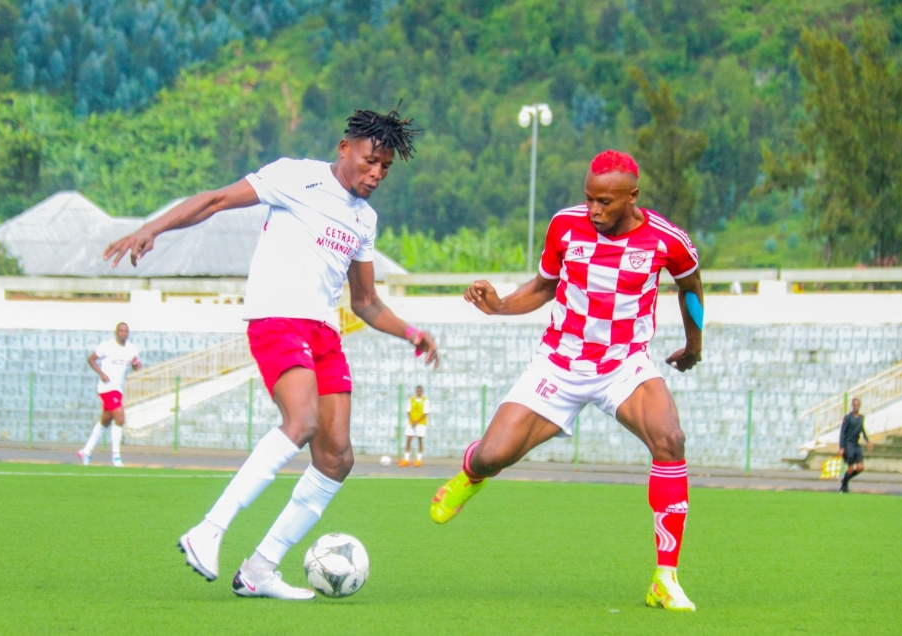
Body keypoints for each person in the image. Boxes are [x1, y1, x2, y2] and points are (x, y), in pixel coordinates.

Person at [102, 107, 440, 600]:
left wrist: (411, 333)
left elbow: (365, 301)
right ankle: (209, 530)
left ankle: (260, 569)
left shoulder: (365, 219)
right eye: (370, 161)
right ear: (345, 148)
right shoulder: (294, 177)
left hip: (323, 331)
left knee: (336, 457)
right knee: (300, 421)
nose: (376, 174)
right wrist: (152, 228)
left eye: (385, 168)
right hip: (278, 317)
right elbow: (215, 200)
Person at [429, 150, 704, 612]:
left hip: (624, 363)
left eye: (605, 202)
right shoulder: (565, 226)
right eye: (589, 199)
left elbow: (691, 289)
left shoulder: (667, 240)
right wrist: (497, 304)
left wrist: (694, 346)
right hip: (559, 362)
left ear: (632, 197)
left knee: (670, 439)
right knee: (496, 455)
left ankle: (664, 578)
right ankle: (471, 471)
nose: (594, 210)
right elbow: (542, 287)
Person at [77, 322, 142, 468]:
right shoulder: (107, 346)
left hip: (118, 389)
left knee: (105, 420)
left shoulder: (132, 349)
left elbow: (136, 365)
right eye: (121, 331)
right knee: (120, 418)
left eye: (126, 331)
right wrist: (101, 374)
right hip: (107, 388)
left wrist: (136, 365)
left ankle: (86, 451)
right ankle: (116, 457)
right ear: (116, 332)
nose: (124, 333)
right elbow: (91, 359)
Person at [838, 397, 872, 493]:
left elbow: (862, 430)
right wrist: (841, 447)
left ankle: (844, 480)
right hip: (848, 444)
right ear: (852, 406)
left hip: (856, 444)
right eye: (854, 405)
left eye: (857, 405)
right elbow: (842, 433)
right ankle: (844, 487)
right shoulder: (848, 417)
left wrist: (867, 441)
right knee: (850, 468)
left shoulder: (861, 418)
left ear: (859, 406)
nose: (856, 407)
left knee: (860, 467)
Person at [399, 385, 429, 467]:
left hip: (421, 424)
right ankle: (406, 459)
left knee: (420, 440)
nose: (418, 392)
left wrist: (417, 421)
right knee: (408, 439)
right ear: (416, 391)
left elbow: (425, 413)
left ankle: (419, 460)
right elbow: (408, 411)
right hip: (411, 423)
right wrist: (412, 421)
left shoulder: (425, 400)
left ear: (422, 392)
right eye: (417, 391)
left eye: (420, 391)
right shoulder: (411, 400)